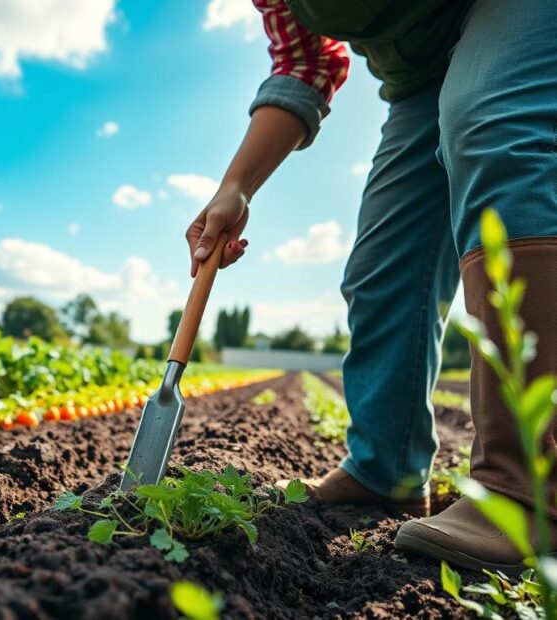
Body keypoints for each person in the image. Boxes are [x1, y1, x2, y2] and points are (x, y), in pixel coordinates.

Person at [186, 0, 557, 573]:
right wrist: (237, 185)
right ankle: (386, 470)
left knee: (491, 120)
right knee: (383, 262)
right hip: (418, 76)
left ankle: (525, 486)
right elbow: (305, 64)